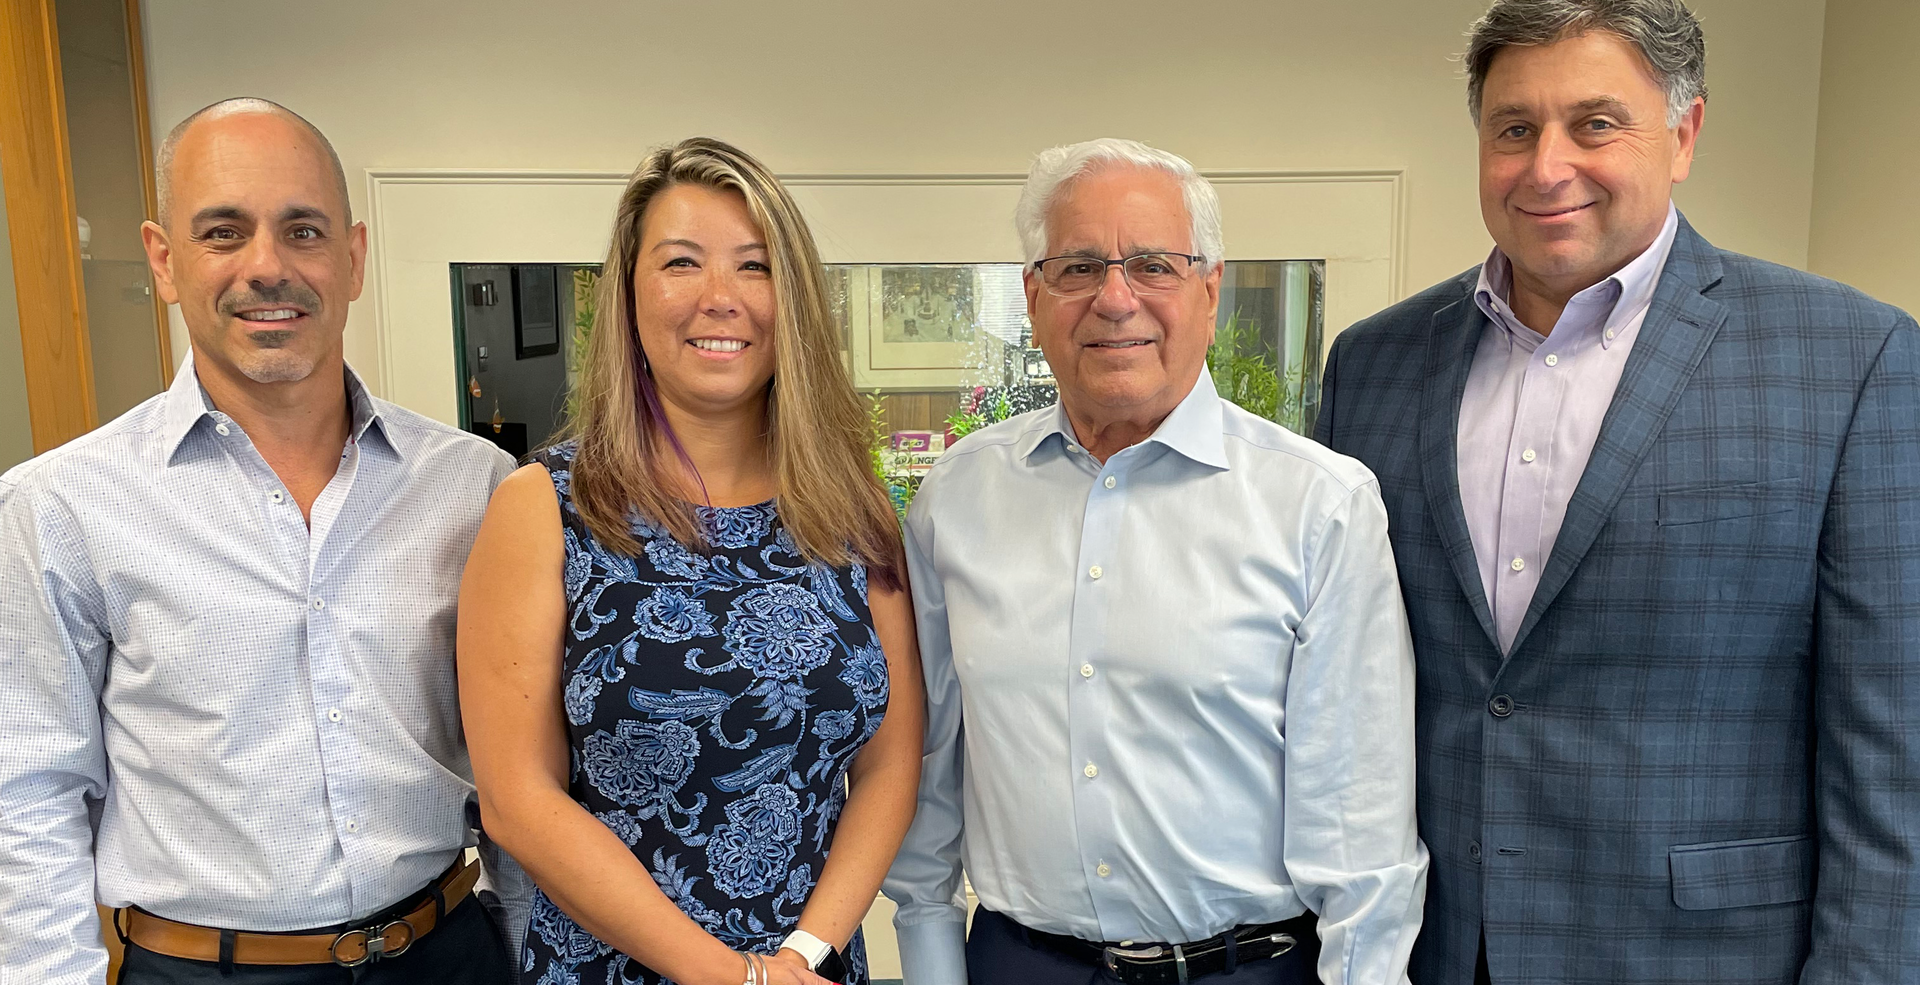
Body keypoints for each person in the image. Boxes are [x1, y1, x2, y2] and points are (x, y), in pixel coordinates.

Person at [1314, 0, 1920, 985]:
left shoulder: (1849, 358)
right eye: (1514, 129)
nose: (1547, 166)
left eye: (1595, 123)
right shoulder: (1374, 364)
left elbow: (1894, 747)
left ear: (1682, 134)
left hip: (1707, 957)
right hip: (1432, 951)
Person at [0, 98, 522, 983]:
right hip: (205, 971)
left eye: (304, 230)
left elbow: (523, 761)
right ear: (164, 260)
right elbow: (26, 794)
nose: (268, 267)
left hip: (450, 956)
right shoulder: (59, 506)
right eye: (223, 232)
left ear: (353, 259)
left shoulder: (473, 488)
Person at [885, 138, 1426, 985]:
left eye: (1152, 265)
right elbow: (927, 778)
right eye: (1077, 268)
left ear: (1210, 290)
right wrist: (928, 961)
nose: (1114, 298)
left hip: (1251, 969)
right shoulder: (956, 498)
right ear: (1032, 296)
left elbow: (1362, 830)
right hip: (1019, 965)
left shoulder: (1319, 505)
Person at [458, 137, 925, 985]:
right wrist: (729, 977)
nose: (721, 299)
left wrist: (799, 956)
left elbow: (891, 763)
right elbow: (519, 802)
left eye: (755, 267)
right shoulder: (546, 508)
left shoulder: (850, 512)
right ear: (628, 296)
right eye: (681, 263)